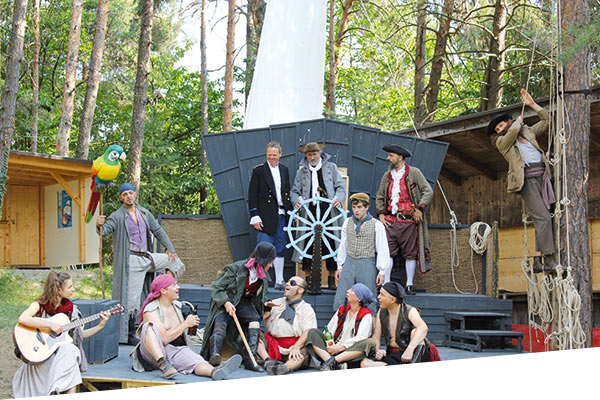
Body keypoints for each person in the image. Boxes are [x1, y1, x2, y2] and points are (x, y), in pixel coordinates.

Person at [97, 182, 186, 344]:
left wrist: (170, 248)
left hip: (147, 256)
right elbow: (105, 231)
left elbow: (157, 230)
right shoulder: (117, 216)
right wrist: (99, 225)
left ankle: (165, 290)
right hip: (131, 260)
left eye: (130, 193)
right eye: (125, 194)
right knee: (131, 300)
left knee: (175, 262)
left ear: (135, 194)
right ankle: (130, 332)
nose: (128, 196)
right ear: (121, 198)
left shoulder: (144, 213)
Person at [488, 89, 556, 273]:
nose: (500, 129)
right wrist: (517, 122)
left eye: (501, 125)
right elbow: (512, 132)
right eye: (497, 129)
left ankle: (538, 260)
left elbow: (547, 120)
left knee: (544, 219)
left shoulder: (527, 132)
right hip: (526, 181)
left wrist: (532, 104)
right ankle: (549, 260)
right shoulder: (502, 143)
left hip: (543, 177)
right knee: (543, 218)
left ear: (507, 121)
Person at [12, 271, 111, 397]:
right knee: (72, 367)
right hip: (42, 354)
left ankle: (56, 391)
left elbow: (82, 334)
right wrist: (49, 325)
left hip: (61, 356)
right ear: (58, 290)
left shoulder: (72, 310)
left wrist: (100, 325)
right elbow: (23, 318)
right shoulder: (39, 305)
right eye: (70, 287)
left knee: (71, 350)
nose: (73, 289)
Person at [131, 274, 242, 380]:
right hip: (151, 355)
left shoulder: (177, 306)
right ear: (163, 291)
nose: (178, 287)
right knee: (148, 327)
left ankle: (215, 371)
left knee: (197, 361)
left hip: (174, 350)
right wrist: (185, 324)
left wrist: (189, 326)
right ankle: (162, 363)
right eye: (174, 285)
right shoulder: (151, 310)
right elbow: (163, 339)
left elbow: (178, 333)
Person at [201, 242, 277, 373]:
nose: (271, 266)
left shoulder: (262, 277)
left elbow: (258, 297)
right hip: (225, 302)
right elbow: (216, 287)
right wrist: (225, 302)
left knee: (254, 319)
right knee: (220, 323)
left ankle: (250, 360)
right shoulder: (235, 269)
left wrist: (265, 303)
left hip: (242, 304)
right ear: (263, 261)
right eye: (270, 262)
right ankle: (214, 356)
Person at [376, 145, 433, 295]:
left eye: (391, 155)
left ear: (400, 157)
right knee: (388, 253)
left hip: (408, 221)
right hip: (390, 221)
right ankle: (386, 284)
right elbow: (380, 196)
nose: (388, 158)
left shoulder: (414, 172)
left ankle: (409, 284)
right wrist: (381, 215)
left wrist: (419, 208)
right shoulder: (387, 176)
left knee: (410, 253)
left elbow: (428, 191)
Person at [290, 142, 346, 290]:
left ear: (320, 154)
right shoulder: (301, 172)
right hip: (309, 212)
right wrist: (297, 201)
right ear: (306, 156)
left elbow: (340, 186)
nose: (312, 157)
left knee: (331, 243)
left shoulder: (331, 168)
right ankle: (308, 279)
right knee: (307, 244)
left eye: (314, 154)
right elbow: (294, 191)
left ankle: (331, 280)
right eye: (309, 155)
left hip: (328, 211)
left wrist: (338, 199)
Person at [248, 141, 293, 290]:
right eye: (269, 155)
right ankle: (256, 281)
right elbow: (252, 194)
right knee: (263, 249)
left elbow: (286, 193)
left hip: (282, 215)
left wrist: (291, 211)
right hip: (265, 217)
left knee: (280, 248)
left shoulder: (284, 170)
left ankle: (279, 280)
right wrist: (255, 215)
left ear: (280, 154)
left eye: (274, 155)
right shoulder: (259, 171)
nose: (272, 158)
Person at [334, 193, 390, 313]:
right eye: (354, 207)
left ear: (367, 207)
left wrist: (382, 271)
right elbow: (343, 245)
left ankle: (368, 321)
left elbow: (382, 248)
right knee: (342, 295)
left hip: (367, 263)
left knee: (368, 295)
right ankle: (341, 320)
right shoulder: (347, 222)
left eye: (359, 207)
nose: (356, 210)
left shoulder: (377, 225)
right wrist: (340, 265)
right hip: (349, 262)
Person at [360, 282, 437, 367]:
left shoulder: (410, 310)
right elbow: (376, 337)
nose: (378, 297)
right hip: (393, 355)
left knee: (415, 331)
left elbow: (423, 328)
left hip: (411, 353)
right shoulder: (381, 312)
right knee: (365, 363)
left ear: (393, 300)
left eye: (382, 295)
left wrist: (410, 349)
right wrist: (377, 350)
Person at [305, 283, 377, 371]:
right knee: (313, 332)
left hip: (350, 352)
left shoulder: (366, 314)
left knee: (369, 342)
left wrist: (341, 347)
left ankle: (332, 362)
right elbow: (329, 330)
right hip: (333, 349)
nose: (347, 291)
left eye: (352, 290)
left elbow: (361, 338)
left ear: (359, 298)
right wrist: (330, 346)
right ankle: (332, 363)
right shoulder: (342, 310)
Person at [255, 276, 317, 375]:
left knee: (303, 352)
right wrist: (265, 309)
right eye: (287, 281)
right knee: (255, 334)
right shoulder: (275, 303)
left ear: (300, 290)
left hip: (294, 347)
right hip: (274, 345)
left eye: (292, 283)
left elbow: (307, 331)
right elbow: (260, 318)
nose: (287, 284)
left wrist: (296, 347)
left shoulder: (306, 308)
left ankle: (283, 368)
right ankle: (268, 360)